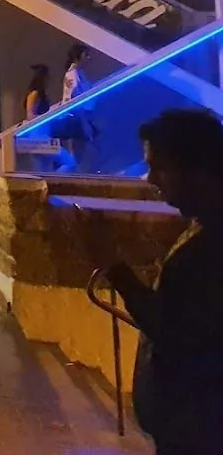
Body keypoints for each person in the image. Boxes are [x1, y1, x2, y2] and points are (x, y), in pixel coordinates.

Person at [83, 108, 223, 455]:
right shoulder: (201, 227)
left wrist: (113, 267)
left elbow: (174, 330)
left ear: (200, 168)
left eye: (159, 167)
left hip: (198, 430)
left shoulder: (211, 244)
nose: (151, 178)